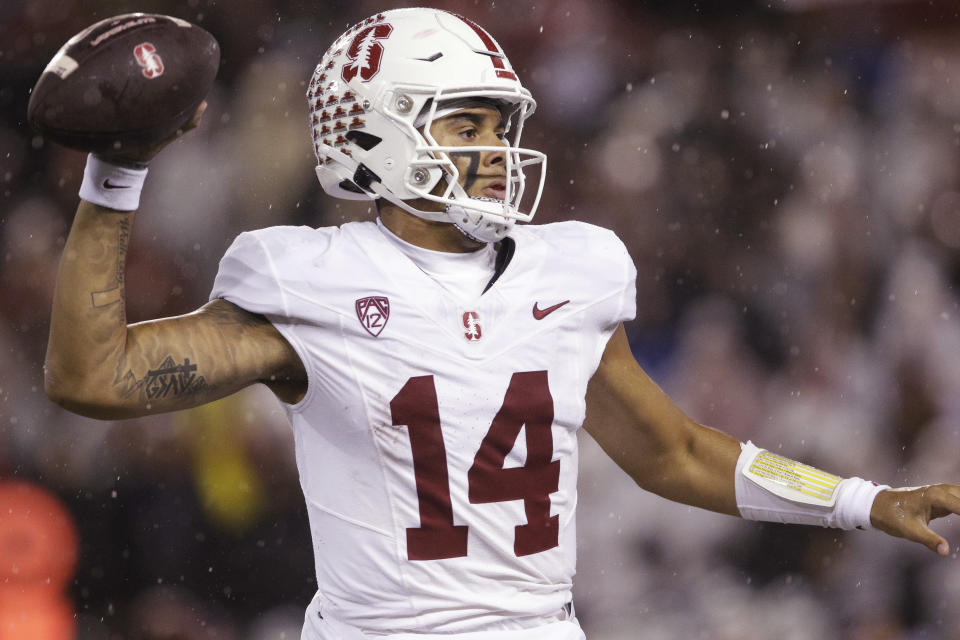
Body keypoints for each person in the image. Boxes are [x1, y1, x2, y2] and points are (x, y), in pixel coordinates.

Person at [43, 8, 960, 640]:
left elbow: (671, 451)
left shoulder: (572, 269)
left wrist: (860, 502)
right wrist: (115, 176)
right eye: (462, 125)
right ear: (374, 133)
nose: (495, 154)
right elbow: (95, 378)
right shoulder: (308, 280)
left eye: (499, 124)